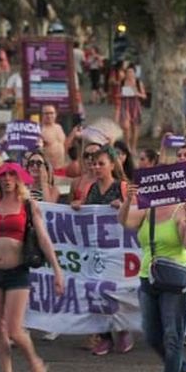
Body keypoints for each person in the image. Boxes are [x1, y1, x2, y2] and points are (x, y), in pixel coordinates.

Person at [119, 162, 186, 372]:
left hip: (173, 279)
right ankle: (185, 369)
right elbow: (125, 222)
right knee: (152, 334)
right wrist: (128, 200)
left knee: (172, 335)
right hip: (148, 276)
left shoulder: (179, 210)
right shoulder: (147, 209)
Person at [0, 162, 62, 372]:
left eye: (10, 176)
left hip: (17, 272)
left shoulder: (28, 205)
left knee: (15, 329)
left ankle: (35, 362)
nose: (6, 180)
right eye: (2, 176)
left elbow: (44, 239)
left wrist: (57, 270)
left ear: (18, 179)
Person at [73, 144, 132, 356]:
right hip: (96, 249)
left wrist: (123, 205)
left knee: (115, 291)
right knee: (97, 290)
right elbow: (88, 212)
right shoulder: (92, 189)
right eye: (94, 163)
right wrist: (79, 206)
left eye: (101, 163)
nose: (96, 167)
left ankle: (123, 330)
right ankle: (105, 336)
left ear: (111, 165)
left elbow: (137, 209)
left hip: (118, 250)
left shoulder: (122, 186)